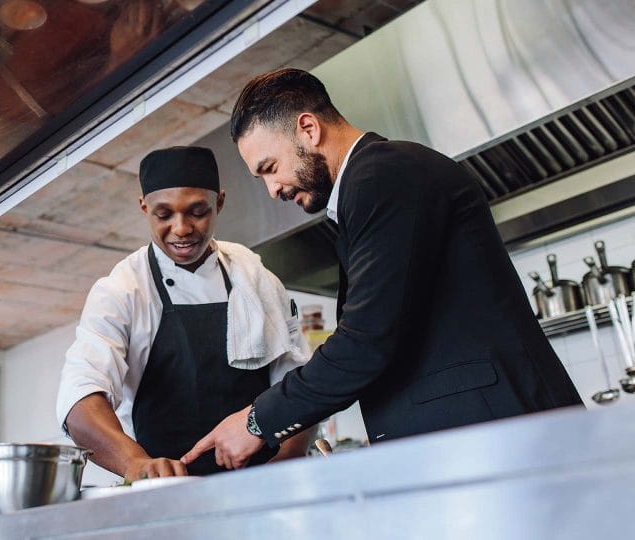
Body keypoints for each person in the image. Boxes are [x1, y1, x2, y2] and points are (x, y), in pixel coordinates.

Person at [181, 68, 583, 469]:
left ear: (308, 128)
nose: (273, 190)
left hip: (500, 440)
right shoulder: (368, 188)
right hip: (477, 443)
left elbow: (367, 340)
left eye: (270, 167)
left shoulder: (384, 174)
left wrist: (256, 422)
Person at [57, 146, 312, 480]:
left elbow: (298, 384)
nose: (181, 229)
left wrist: (288, 459)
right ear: (144, 208)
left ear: (219, 202)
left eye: (197, 211)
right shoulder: (123, 289)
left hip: (264, 483)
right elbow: (80, 398)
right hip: (167, 489)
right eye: (164, 215)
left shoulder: (254, 276)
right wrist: (134, 463)